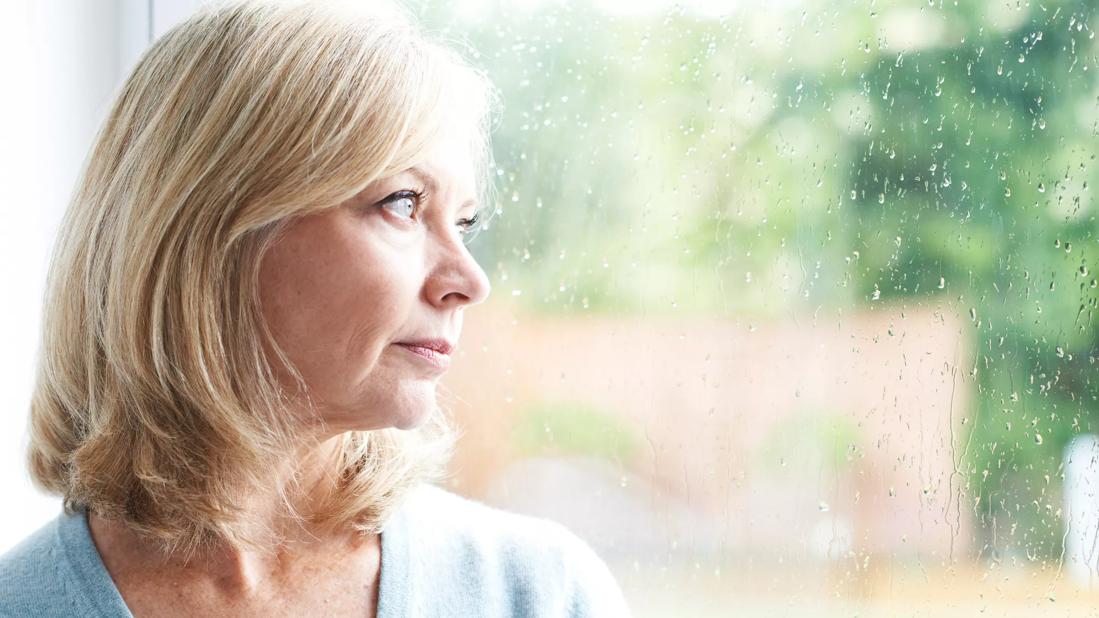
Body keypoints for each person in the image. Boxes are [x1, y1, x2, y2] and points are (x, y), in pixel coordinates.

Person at [0, 1, 631, 616]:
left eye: (464, 222)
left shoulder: (540, 593)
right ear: (208, 231)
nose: (470, 280)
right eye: (404, 204)